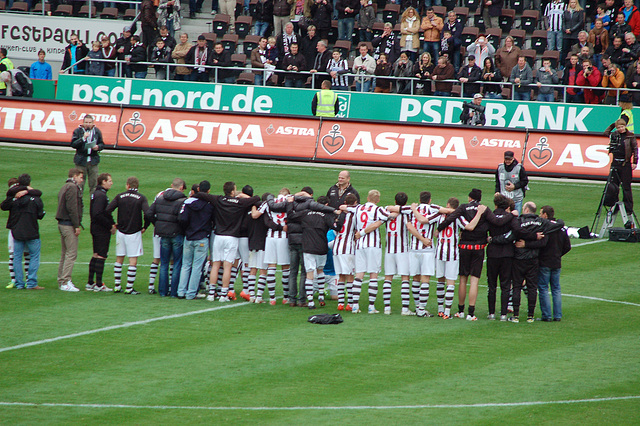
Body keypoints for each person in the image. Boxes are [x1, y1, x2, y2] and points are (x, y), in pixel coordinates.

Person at [195, 181, 260, 302]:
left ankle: (211, 294)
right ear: (232, 191)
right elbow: (257, 199)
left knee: (215, 265)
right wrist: (244, 196)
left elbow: (201, 195)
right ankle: (224, 295)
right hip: (231, 238)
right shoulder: (239, 202)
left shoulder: (219, 199)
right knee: (227, 267)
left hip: (218, 236)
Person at [510, 201, 565, 323]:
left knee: (517, 287)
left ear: (526, 210)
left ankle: (516, 316)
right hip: (533, 259)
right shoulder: (541, 222)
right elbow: (559, 225)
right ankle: (530, 316)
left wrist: (526, 242)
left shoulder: (518, 221)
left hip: (519, 258)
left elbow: (516, 233)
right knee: (532, 287)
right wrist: (535, 236)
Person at [341, 189, 392, 314]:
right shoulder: (378, 209)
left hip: (360, 245)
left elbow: (344, 207)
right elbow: (387, 218)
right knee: (373, 275)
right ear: (378, 200)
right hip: (373, 245)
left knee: (359, 275)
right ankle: (371, 306)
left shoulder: (359, 208)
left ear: (368, 198)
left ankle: (355, 306)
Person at [435, 197, 486, 320]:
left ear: (447, 204)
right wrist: (479, 214)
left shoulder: (438, 215)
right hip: (452, 253)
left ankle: (440, 309)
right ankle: (447, 311)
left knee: (440, 280)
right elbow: (469, 227)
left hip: (439, 252)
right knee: (451, 282)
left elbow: (426, 220)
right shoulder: (458, 217)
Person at [106, 176, 150, 294]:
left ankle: (117, 286)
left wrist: (113, 223)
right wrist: (145, 226)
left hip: (121, 232)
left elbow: (108, 210)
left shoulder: (120, 196)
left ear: (127, 185)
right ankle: (129, 288)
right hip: (134, 232)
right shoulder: (141, 198)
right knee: (133, 260)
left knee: (119, 258)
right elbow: (148, 213)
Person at [1, 175, 45, 290]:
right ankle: (31, 283)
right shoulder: (36, 198)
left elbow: (4, 206)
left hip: (17, 232)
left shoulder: (15, 198)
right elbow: (40, 215)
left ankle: (19, 284)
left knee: (16, 257)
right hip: (32, 232)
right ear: (29, 183)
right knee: (34, 257)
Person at [146, 178, 187, 297]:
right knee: (176, 263)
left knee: (163, 263)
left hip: (163, 234)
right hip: (176, 234)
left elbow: (149, 213)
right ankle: (174, 292)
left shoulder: (160, 198)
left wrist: (157, 224)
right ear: (181, 188)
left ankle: (162, 292)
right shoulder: (182, 200)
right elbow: (182, 218)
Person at [301, 195, 342, 309]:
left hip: (308, 247)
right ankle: (321, 296)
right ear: (326, 205)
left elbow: (292, 218)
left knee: (310, 273)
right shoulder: (326, 215)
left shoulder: (305, 214)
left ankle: (310, 302)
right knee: (320, 271)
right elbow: (336, 227)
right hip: (321, 247)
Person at [177, 180, 215, 299]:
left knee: (186, 265)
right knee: (197, 267)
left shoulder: (188, 202)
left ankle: (181, 291)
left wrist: (187, 230)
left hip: (189, 237)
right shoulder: (210, 205)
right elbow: (213, 221)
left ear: (198, 190)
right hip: (202, 238)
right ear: (208, 191)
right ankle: (191, 293)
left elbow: (182, 219)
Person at [537, 205, 571, 322]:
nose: (540, 216)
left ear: (545, 215)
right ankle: (557, 315)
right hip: (556, 262)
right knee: (556, 289)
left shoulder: (545, 227)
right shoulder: (561, 228)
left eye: (541, 214)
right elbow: (567, 246)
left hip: (545, 262)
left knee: (543, 288)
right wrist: (558, 255)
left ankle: (546, 315)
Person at [86, 173, 116, 292]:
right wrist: (110, 226)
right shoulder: (101, 195)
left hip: (96, 228)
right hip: (101, 230)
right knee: (101, 255)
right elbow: (98, 213)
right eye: (109, 180)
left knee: (96, 254)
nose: (111, 182)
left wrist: (112, 222)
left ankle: (90, 282)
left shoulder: (97, 193)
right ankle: (98, 284)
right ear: (103, 181)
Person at [56, 168, 84, 293]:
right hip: (68, 224)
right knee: (71, 253)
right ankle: (65, 281)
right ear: (75, 176)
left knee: (65, 254)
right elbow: (72, 207)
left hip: (62, 223)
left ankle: (62, 280)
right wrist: (76, 225)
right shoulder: (72, 187)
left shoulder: (64, 186)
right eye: (81, 177)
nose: (82, 180)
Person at [607, 118, 638, 214]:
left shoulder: (630, 136)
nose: (620, 129)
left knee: (626, 186)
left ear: (625, 126)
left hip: (626, 164)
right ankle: (614, 206)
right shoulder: (615, 135)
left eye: (621, 127)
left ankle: (628, 208)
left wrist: (634, 161)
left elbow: (635, 149)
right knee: (613, 186)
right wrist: (613, 124)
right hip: (615, 163)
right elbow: (605, 132)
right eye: (618, 127)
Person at [70, 114, 104, 194]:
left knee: (94, 184)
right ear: (83, 122)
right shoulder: (77, 131)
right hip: (81, 161)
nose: (88, 124)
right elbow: (73, 144)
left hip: (93, 161)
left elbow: (102, 144)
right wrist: (83, 138)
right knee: (79, 184)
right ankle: (78, 204)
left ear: (93, 123)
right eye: (86, 122)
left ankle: (94, 203)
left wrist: (98, 147)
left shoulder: (97, 131)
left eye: (89, 122)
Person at [334, 193, 357, 311]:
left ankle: (340, 303)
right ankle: (350, 303)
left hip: (337, 248)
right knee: (350, 276)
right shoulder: (354, 214)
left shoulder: (339, 214)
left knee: (341, 276)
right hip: (347, 248)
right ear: (355, 203)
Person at [562, 0, 585, 69]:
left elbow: (580, 22)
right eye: (571, 2)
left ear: (576, 3)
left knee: (576, 50)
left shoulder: (580, 11)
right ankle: (563, 65)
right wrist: (565, 29)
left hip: (575, 34)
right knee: (565, 50)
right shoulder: (566, 11)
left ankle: (578, 64)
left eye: (574, 2)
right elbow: (563, 22)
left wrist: (571, 30)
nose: (573, 4)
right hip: (566, 34)